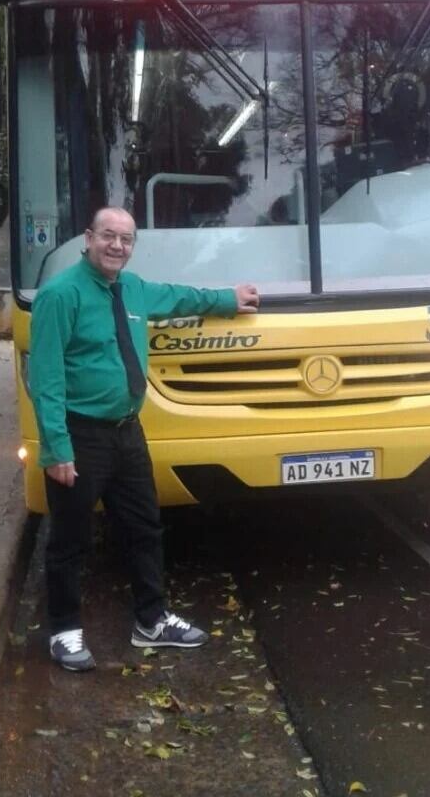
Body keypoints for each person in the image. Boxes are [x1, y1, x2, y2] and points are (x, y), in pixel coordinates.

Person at [29, 206, 260, 672]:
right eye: (108, 236)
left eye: (126, 239)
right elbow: (46, 378)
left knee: (144, 528)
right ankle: (65, 630)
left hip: (127, 433)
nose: (117, 246)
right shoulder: (60, 296)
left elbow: (177, 298)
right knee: (71, 539)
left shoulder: (132, 289)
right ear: (88, 239)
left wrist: (227, 298)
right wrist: (56, 448)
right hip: (80, 435)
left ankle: (151, 621)